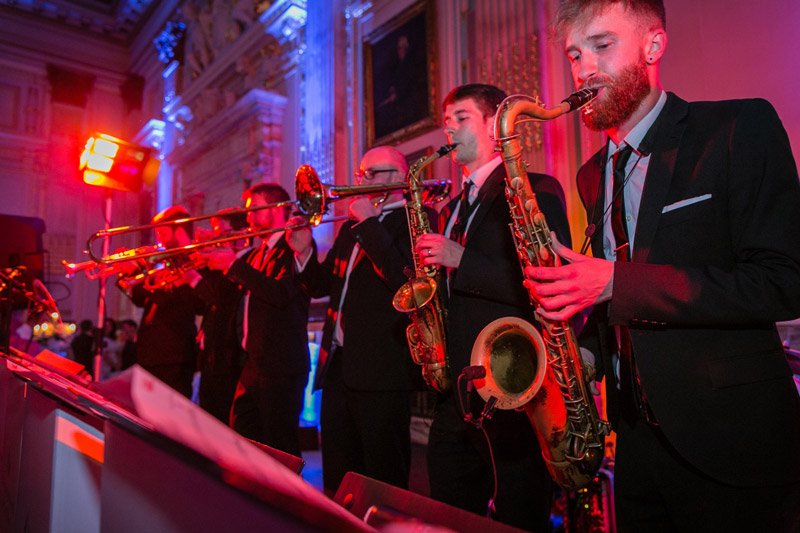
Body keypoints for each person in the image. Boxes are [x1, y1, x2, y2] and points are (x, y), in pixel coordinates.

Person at [522, 1, 800, 530]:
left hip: (732, 446)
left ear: (653, 45)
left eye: (602, 45)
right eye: (575, 55)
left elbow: (783, 281)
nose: (584, 69)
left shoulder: (737, 127)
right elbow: (616, 300)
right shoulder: (591, 174)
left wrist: (615, 282)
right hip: (635, 448)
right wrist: (584, 353)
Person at [414, 83, 571, 531]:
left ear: (493, 122)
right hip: (458, 392)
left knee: (518, 515)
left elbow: (551, 278)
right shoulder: (455, 205)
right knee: (450, 515)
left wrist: (460, 259)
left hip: (511, 388)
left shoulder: (533, 188)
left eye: (461, 118)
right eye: (446, 121)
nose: (449, 129)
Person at [286, 146, 428, 495]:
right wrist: (304, 251)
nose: (361, 182)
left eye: (371, 174)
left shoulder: (414, 219)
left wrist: (369, 224)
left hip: (383, 370)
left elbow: (404, 279)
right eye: (360, 174)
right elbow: (323, 286)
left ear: (398, 177)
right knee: (339, 473)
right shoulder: (351, 228)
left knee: (383, 474)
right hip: (339, 366)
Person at [201, 184, 310, 457]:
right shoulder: (256, 253)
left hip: (281, 364)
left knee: (279, 447)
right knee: (243, 438)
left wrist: (232, 264)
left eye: (254, 210)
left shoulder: (293, 246)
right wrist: (206, 263)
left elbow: (281, 293)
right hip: (252, 362)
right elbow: (223, 299)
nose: (248, 217)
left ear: (276, 208)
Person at [119, 206, 205, 397]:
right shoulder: (165, 261)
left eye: (163, 234)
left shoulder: (194, 260)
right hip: (151, 353)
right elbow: (143, 301)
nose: (159, 240)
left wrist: (135, 271)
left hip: (174, 354)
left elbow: (170, 300)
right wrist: (128, 275)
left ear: (179, 231)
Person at [194, 208, 249, 424]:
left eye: (221, 233)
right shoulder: (219, 265)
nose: (216, 239)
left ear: (240, 234)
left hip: (230, 356)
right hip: (212, 352)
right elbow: (208, 303)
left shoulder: (246, 263)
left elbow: (223, 299)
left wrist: (196, 276)